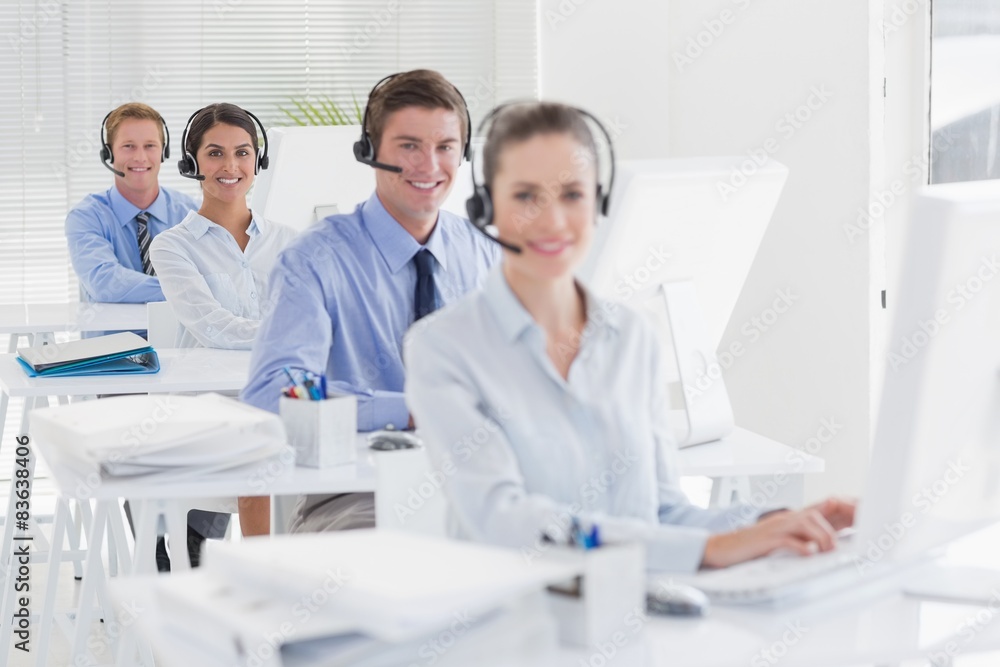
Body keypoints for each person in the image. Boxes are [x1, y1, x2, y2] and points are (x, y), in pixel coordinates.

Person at [403, 102, 856, 572]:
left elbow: (663, 514)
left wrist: (775, 523)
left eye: (572, 195)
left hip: (634, 614)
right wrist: (707, 552)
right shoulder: (443, 348)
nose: (553, 220)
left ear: (598, 203)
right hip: (519, 623)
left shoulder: (632, 337)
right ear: (485, 207)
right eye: (525, 196)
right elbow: (504, 521)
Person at [240, 70, 500, 536]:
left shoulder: (485, 252)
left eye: (445, 146)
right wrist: (411, 410)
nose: (429, 164)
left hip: (481, 490)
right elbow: (271, 397)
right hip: (360, 500)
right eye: (408, 145)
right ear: (369, 151)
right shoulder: (314, 260)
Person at [150, 103, 297, 350]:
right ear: (191, 163)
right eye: (215, 153)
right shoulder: (172, 247)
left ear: (259, 160)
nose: (231, 166)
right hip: (208, 387)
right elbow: (214, 329)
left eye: (242, 153)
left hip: (281, 386)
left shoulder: (289, 241)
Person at [66, 102, 197, 308]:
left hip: (178, 340)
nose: (140, 157)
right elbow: (105, 283)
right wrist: (188, 290)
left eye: (150, 146)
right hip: (112, 340)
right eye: (128, 146)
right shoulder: (86, 216)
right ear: (109, 154)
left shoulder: (192, 213)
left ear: (164, 152)